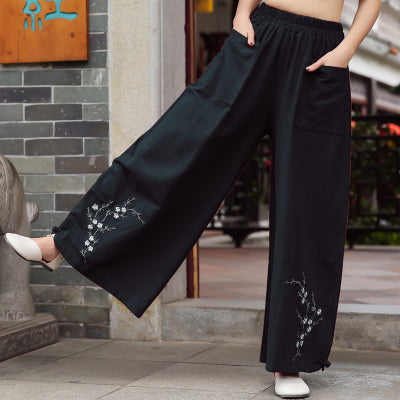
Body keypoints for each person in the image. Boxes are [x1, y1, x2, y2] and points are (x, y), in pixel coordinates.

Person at [3, 0, 381, 397]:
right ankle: (64, 243)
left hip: (321, 56)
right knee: (180, 143)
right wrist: (241, 12)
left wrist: (346, 49)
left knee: (309, 202)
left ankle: (292, 360)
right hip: (260, 36)